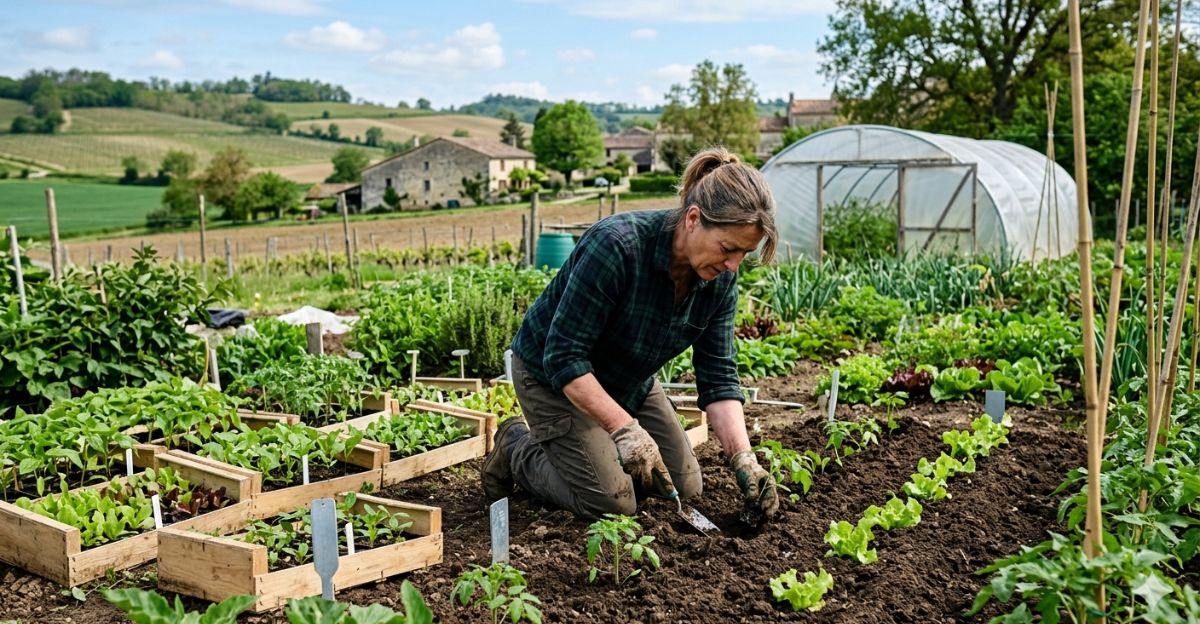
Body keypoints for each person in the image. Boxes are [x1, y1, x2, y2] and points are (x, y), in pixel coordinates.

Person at [482, 147, 780, 521]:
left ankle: (594, 448)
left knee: (685, 488)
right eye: (728, 248)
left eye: (744, 254)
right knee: (612, 504)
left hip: (626, 379)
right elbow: (563, 357)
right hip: (552, 377)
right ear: (692, 219)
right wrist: (624, 430)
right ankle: (517, 448)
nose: (733, 264)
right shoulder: (617, 246)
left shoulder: (719, 280)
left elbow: (718, 375)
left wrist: (744, 459)